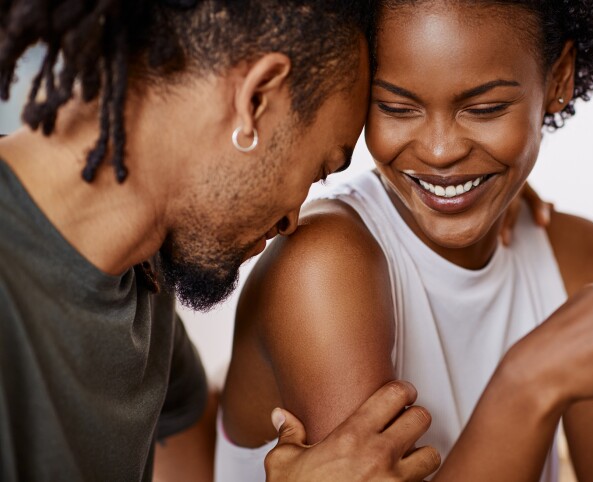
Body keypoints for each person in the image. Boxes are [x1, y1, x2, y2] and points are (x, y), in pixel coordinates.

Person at [219, 1, 593, 481]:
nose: (440, 150)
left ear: (560, 78)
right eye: (396, 107)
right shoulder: (323, 267)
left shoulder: (572, 254)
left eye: (485, 108)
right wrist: (535, 376)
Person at [0, 1, 449, 480]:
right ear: (254, 100)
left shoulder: (141, 267)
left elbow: (181, 430)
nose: (293, 220)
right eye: (320, 169)